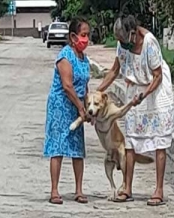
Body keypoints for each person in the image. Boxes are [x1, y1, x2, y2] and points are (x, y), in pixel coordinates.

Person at [98, 15, 174, 206]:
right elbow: (115, 70)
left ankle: (158, 190)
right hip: (135, 91)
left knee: (159, 141)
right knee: (130, 139)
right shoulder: (123, 45)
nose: (122, 44)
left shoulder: (149, 43)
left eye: (124, 40)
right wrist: (98, 91)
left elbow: (157, 76)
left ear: (133, 33)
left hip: (155, 94)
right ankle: (127, 187)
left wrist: (145, 94)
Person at [43, 18, 91, 205]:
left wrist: (87, 109)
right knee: (58, 146)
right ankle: (54, 190)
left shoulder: (83, 58)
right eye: (83, 35)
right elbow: (67, 86)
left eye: (88, 35)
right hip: (61, 105)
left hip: (77, 105)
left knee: (77, 149)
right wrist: (80, 107)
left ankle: (79, 190)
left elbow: (84, 87)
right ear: (73, 36)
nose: (86, 39)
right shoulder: (65, 56)